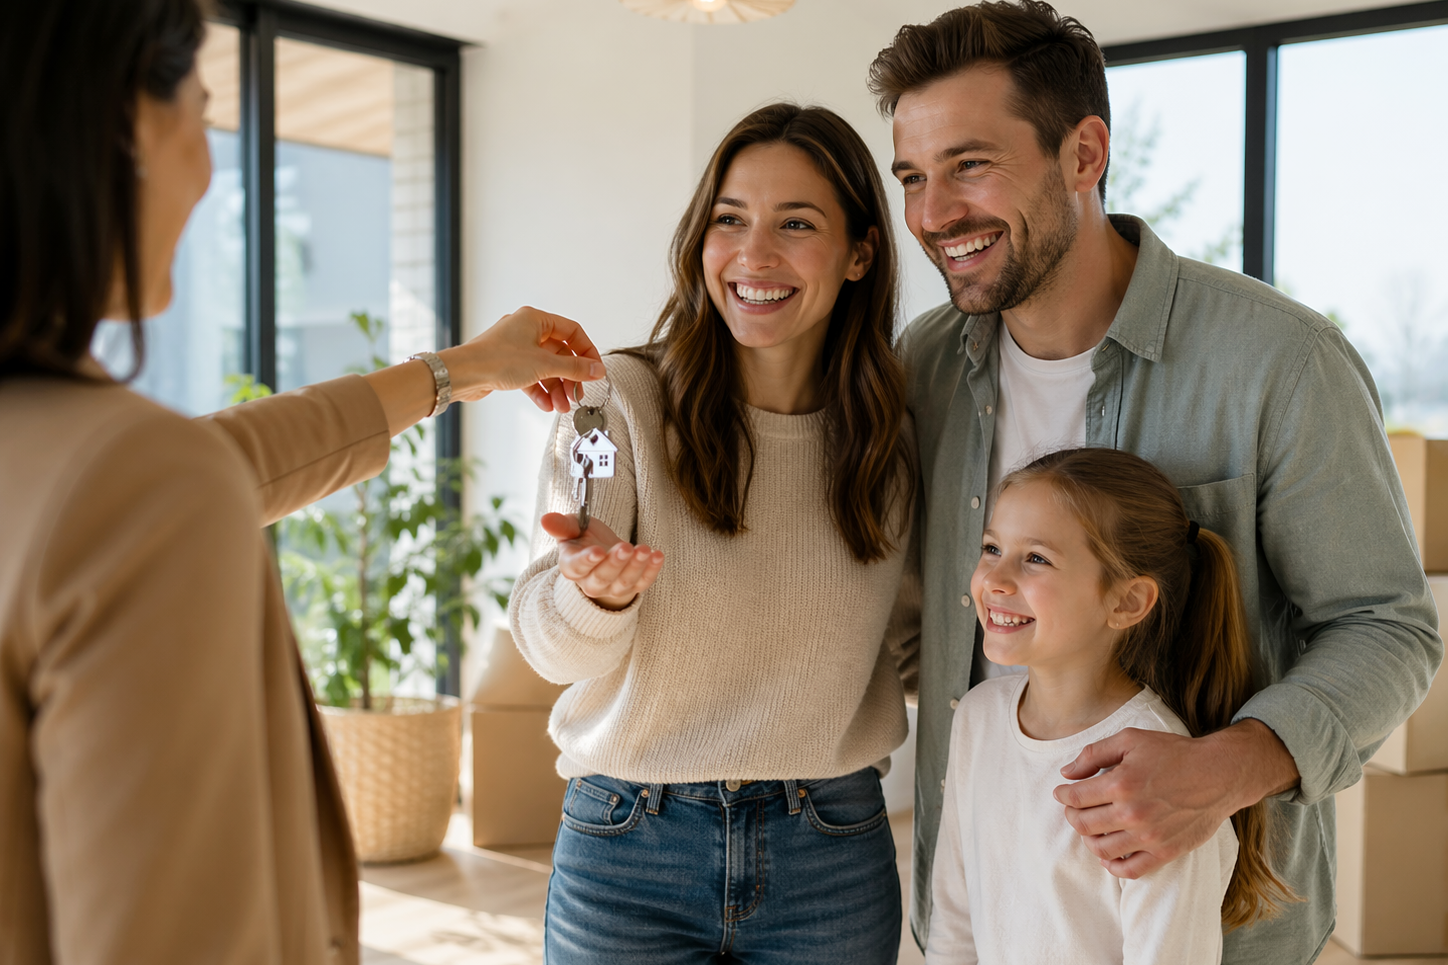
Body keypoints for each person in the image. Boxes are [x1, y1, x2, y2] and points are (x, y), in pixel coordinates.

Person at [0, 3, 603, 962]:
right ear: (123, 127)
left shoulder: (60, 463)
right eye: (200, 112)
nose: (208, 172)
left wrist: (463, 367)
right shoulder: (129, 482)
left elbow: (226, 456)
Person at [867, 2, 1441, 961]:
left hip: (1221, 933)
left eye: (971, 164)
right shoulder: (920, 369)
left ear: (1084, 153)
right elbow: (923, 625)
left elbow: (1388, 627)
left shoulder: (1279, 361)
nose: (932, 216)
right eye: (914, 177)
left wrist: (1222, 768)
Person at [508, 103, 919, 964]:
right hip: (629, 841)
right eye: (729, 220)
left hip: (830, 846)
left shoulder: (893, 436)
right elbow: (551, 647)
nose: (754, 256)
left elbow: (913, 639)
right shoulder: (617, 399)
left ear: (860, 253)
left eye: (795, 224)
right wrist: (590, 594)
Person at [929, 447, 1299, 964]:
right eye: (992, 547)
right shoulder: (977, 717)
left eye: (1036, 558)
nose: (995, 579)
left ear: (1126, 602)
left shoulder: (1158, 779)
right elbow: (953, 919)